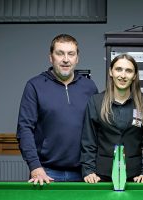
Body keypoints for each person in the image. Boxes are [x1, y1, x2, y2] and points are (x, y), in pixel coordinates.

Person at [16, 34, 98, 185]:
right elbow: (24, 129)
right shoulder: (35, 86)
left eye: (71, 54)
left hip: (83, 173)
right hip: (46, 173)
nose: (66, 59)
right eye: (60, 53)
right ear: (51, 57)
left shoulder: (89, 87)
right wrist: (35, 167)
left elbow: (97, 129)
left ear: (77, 58)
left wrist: (92, 167)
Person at [80, 54, 143, 183]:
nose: (123, 75)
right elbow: (88, 141)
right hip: (101, 176)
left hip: (136, 176)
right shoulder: (96, 102)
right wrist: (89, 171)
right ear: (111, 72)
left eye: (128, 71)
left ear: (134, 76)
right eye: (118, 69)